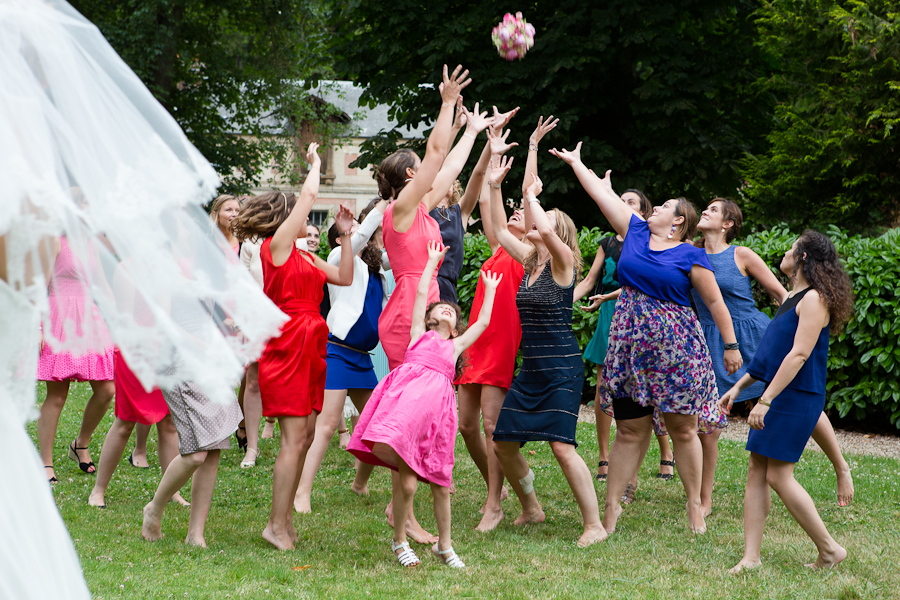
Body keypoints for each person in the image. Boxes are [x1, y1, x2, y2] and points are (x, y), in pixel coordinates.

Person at [551, 142, 742, 535]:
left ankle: (693, 505)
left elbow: (715, 302)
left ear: (677, 222)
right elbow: (600, 194)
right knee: (630, 429)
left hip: (677, 350)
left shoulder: (690, 256)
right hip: (629, 348)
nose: (653, 208)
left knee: (684, 429)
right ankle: (611, 511)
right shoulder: (634, 232)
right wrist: (577, 163)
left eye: (664, 206)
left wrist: (731, 345)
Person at [348, 241, 502, 568]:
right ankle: (399, 540)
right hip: (407, 413)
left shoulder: (457, 344)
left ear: (456, 326)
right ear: (430, 319)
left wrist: (488, 289)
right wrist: (431, 263)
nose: (447, 309)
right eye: (440, 308)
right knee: (407, 483)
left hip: (438, 419)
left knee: (441, 484)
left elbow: (484, 322)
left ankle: (444, 546)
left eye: (452, 310)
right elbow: (420, 296)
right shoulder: (419, 335)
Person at [231, 143, 354, 551]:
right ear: (285, 219)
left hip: (312, 342)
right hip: (287, 343)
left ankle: (282, 521)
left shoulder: (305, 255)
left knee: (303, 437)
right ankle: (275, 525)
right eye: (299, 214)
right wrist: (316, 165)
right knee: (290, 438)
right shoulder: (276, 248)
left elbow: (344, 277)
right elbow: (308, 196)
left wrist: (347, 236)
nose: (307, 219)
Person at [694, 199, 854, 512]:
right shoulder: (689, 252)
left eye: (714, 209)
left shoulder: (741, 254)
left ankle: (840, 464)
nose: (705, 211)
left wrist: (800, 331)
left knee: (793, 394)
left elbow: (784, 295)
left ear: (729, 223)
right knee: (709, 420)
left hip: (752, 335)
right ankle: (704, 499)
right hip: (708, 339)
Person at [374, 64, 474, 544]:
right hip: (404, 317)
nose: (429, 170)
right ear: (410, 175)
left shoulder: (420, 206)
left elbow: (447, 163)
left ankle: (402, 511)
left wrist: (470, 130)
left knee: (423, 415)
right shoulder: (401, 210)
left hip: (423, 307)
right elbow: (437, 152)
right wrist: (447, 102)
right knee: (409, 419)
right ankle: (404, 517)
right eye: (421, 167)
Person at [488, 152, 606, 547]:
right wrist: (492, 184)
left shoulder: (563, 262)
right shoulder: (530, 260)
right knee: (503, 442)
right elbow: (498, 229)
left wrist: (532, 195)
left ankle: (595, 525)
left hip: (561, 367)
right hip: (533, 368)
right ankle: (532, 507)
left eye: (544, 217)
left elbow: (542, 226)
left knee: (561, 445)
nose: (534, 219)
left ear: (557, 231)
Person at [718, 231, 853, 572]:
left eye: (793, 247)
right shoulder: (794, 296)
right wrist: (739, 387)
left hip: (797, 395)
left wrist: (765, 400)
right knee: (757, 470)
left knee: (778, 475)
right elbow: (772, 357)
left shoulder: (814, 299)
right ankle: (751, 557)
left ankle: (830, 549)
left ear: (803, 257)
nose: (787, 251)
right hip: (782, 391)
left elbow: (799, 355)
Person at [293, 197, 390, 512]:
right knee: (327, 423)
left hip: (363, 358)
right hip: (338, 351)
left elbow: (405, 252)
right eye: (354, 228)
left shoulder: (377, 267)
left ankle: (359, 483)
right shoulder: (338, 255)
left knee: (378, 422)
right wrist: (385, 204)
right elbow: (358, 238)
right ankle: (301, 493)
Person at [455, 126, 524, 532]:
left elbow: (505, 216)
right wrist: (492, 169)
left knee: (493, 426)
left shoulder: (529, 253)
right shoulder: (501, 246)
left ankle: (494, 503)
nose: (513, 216)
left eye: (523, 214)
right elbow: (485, 202)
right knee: (467, 425)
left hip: (500, 342)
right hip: (476, 341)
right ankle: (497, 487)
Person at [37, 236, 115, 482]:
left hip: (88, 317)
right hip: (59, 315)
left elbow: (102, 285)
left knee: (107, 390)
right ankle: (45, 463)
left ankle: (80, 444)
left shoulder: (91, 242)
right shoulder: (54, 240)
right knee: (58, 395)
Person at [429, 101, 518, 303]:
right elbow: (440, 163)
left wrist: (493, 137)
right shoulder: (424, 207)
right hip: (425, 282)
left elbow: (478, 173)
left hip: (449, 286)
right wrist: (455, 129)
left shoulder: (459, 212)